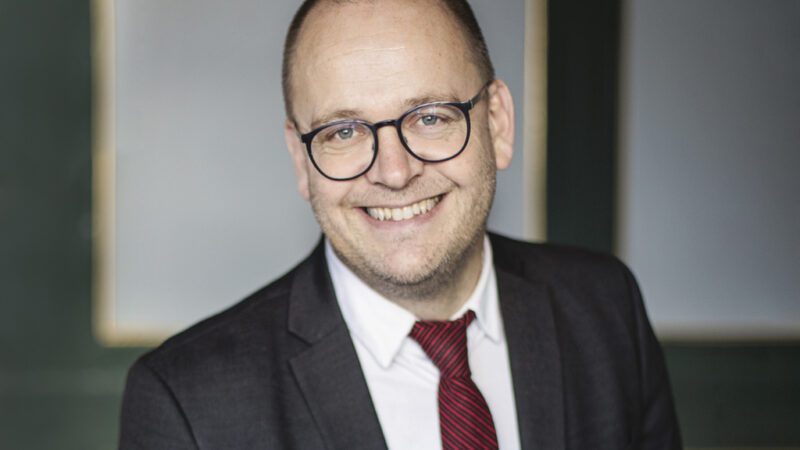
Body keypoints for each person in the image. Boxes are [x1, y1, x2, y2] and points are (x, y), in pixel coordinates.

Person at [119, 0, 682, 448]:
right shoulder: (188, 404)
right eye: (343, 132)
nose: (394, 172)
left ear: (498, 123)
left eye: (430, 117)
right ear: (300, 160)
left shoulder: (605, 310)